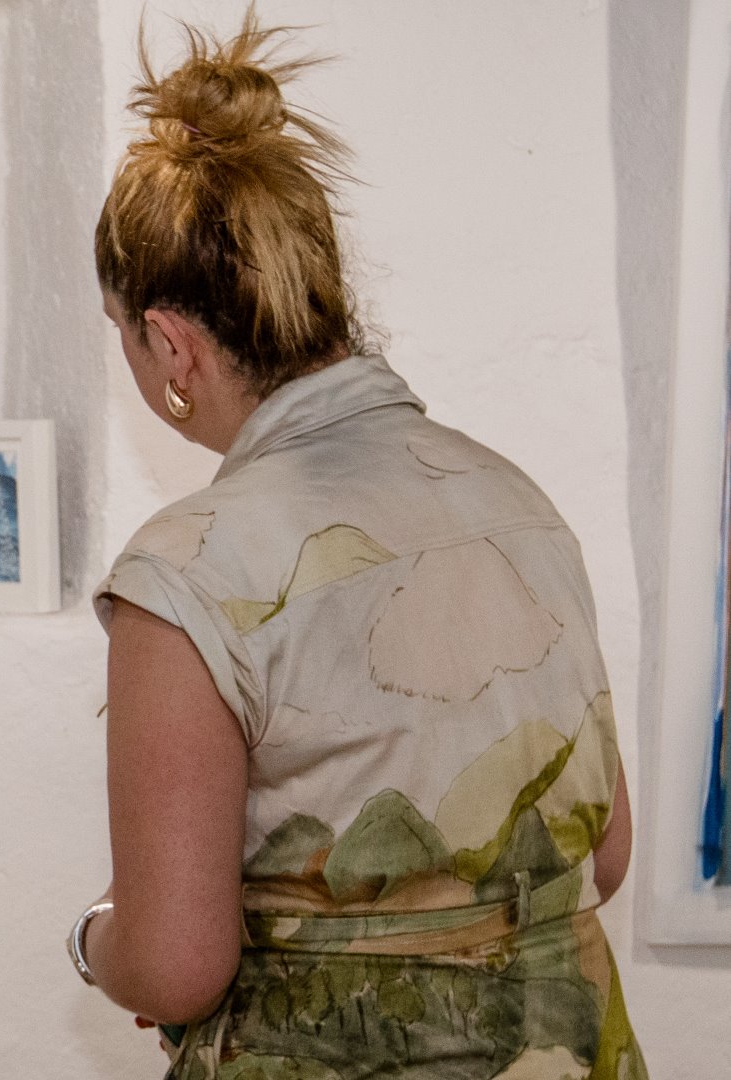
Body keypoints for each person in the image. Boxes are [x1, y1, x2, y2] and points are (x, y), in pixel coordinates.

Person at [65, 11, 648, 1080]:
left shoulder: (188, 569)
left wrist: (97, 940)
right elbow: (600, 858)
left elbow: (177, 966)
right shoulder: (516, 502)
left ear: (171, 343)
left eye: (126, 338)